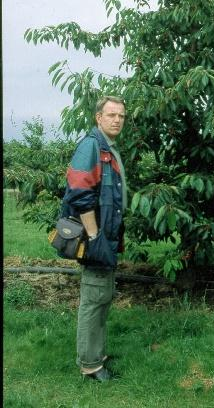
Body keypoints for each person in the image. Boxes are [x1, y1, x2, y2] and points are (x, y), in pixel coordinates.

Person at [60, 96, 127, 382]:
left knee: (102, 295)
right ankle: (90, 365)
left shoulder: (107, 147)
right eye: (111, 115)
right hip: (95, 235)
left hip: (106, 234)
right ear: (98, 117)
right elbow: (78, 192)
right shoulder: (91, 146)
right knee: (94, 298)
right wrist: (94, 234)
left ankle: (96, 353)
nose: (117, 120)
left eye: (121, 116)